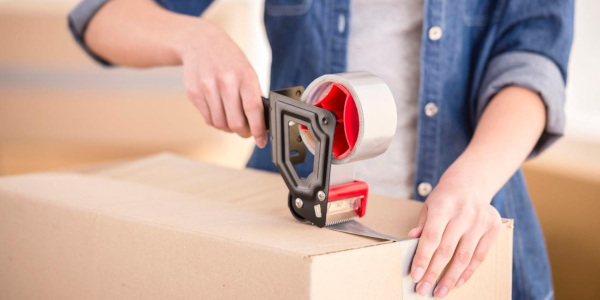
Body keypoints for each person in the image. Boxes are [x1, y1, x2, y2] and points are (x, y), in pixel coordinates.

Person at [68, 0, 573, 298]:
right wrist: (193, 37)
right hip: (289, 236)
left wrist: (470, 184)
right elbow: (98, 17)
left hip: (462, 235)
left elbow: (531, 63)